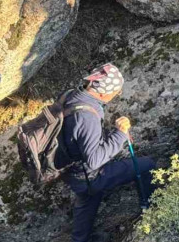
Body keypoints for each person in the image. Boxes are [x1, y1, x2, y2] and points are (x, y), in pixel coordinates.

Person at [55, 63, 155, 242]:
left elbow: (78, 136)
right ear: (102, 93)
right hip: (90, 176)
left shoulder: (70, 95)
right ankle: (153, 209)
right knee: (147, 165)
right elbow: (94, 160)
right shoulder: (86, 116)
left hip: (71, 169)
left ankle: (81, 239)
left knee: (87, 199)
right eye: (116, 92)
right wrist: (120, 134)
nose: (116, 95)